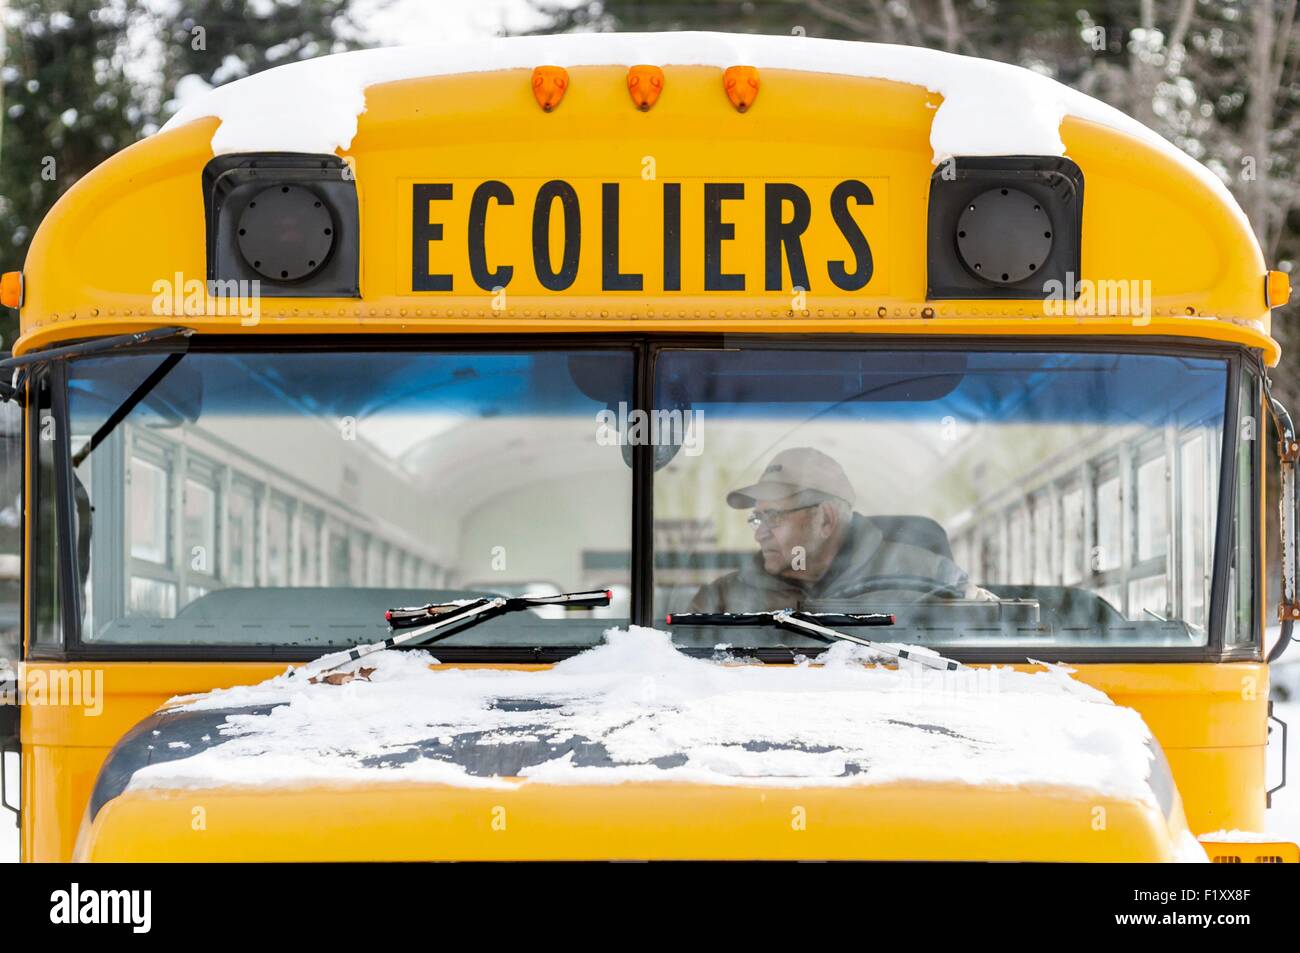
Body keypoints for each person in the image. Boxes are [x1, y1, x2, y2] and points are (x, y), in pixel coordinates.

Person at [688, 447, 991, 613]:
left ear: (825, 520)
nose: (760, 533)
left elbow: (996, 641)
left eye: (774, 517)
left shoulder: (931, 579)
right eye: (758, 518)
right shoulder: (722, 598)